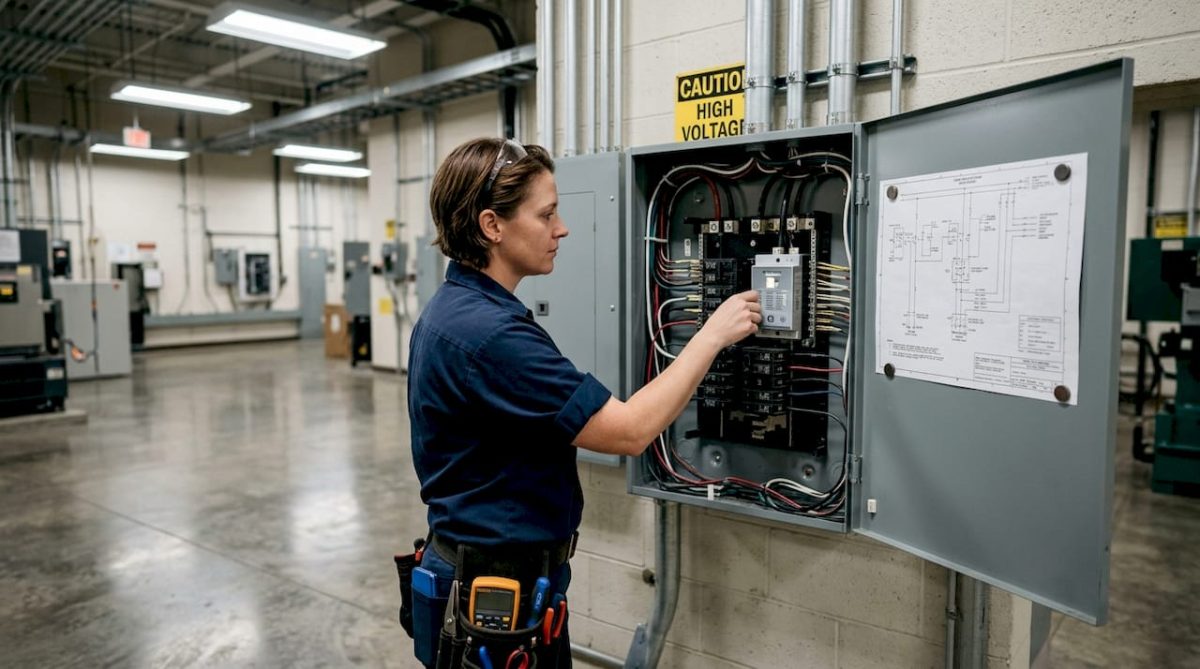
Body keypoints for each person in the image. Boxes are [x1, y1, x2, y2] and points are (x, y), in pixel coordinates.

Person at [407, 137, 760, 668]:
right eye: (546, 214)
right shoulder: (489, 335)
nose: (561, 228)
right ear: (491, 226)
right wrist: (712, 335)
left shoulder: (453, 308)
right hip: (499, 600)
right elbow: (629, 430)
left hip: (494, 578)